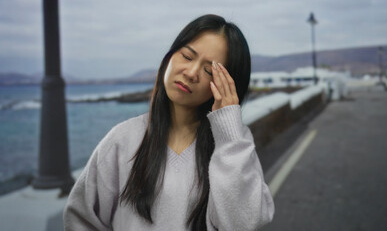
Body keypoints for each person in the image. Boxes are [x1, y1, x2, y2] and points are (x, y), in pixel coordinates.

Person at [63, 14, 275, 231]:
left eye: (209, 70)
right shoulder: (122, 139)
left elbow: (243, 223)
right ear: (170, 56)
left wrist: (229, 132)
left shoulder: (234, 144)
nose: (191, 73)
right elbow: (81, 220)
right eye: (187, 56)